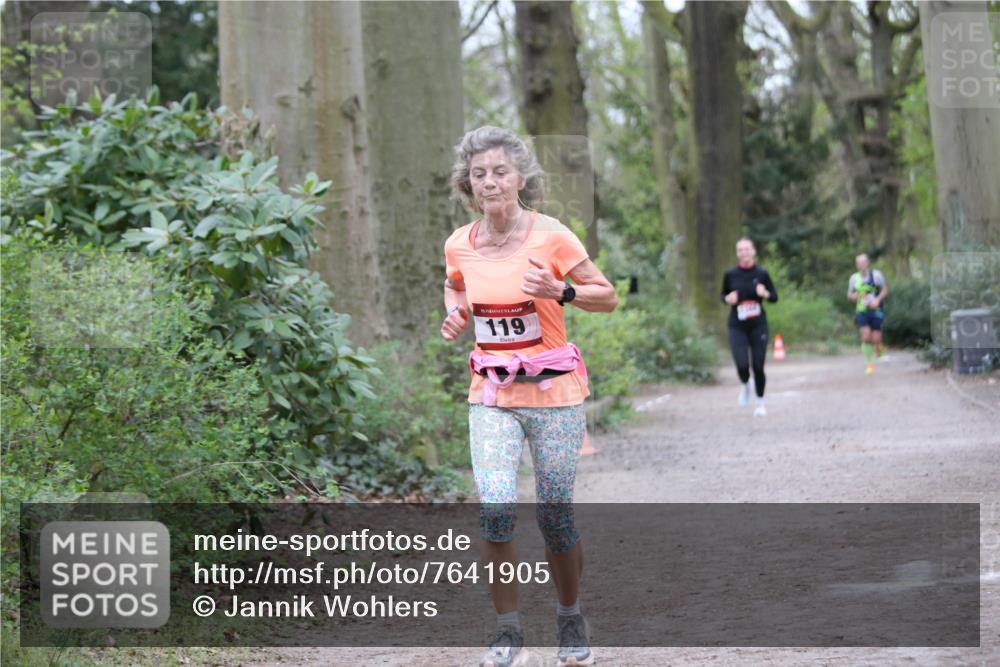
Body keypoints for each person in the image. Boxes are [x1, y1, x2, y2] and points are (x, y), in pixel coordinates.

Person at [441, 126, 617, 667]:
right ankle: (508, 631)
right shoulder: (458, 243)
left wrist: (561, 291)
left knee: (555, 515)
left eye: (499, 172)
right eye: (478, 174)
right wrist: (455, 311)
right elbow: (455, 282)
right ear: (466, 184)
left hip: (554, 394)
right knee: (495, 509)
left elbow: (605, 297)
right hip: (491, 393)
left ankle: (569, 617)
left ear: (520, 178)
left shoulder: (553, 236)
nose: (489, 182)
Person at [721, 238, 778, 417]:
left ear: (753, 251)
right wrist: (727, 299)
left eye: (747, 249)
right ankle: (746, 384)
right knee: (741, 364)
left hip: (758, 325)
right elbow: (723, 295)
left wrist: (765, 293)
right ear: (737, 253)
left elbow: (775, 297)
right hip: (737, 325)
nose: (744, 252)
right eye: (740, 250)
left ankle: (760, 403)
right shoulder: (730, 274)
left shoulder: (762, 273)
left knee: (758, 365)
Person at [847, 253, 889, 375]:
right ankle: (870, 363)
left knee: (876, 338)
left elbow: (885, 289)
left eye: (862, 262)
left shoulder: (876, 275)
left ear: (867, 263)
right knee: (866, 337)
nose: (860, 265)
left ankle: (878, 346)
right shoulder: (854, 278)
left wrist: (877, 300)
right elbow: (850, 295)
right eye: (858, 263)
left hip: (876, 310)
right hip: (862, 311)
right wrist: (853, 296)